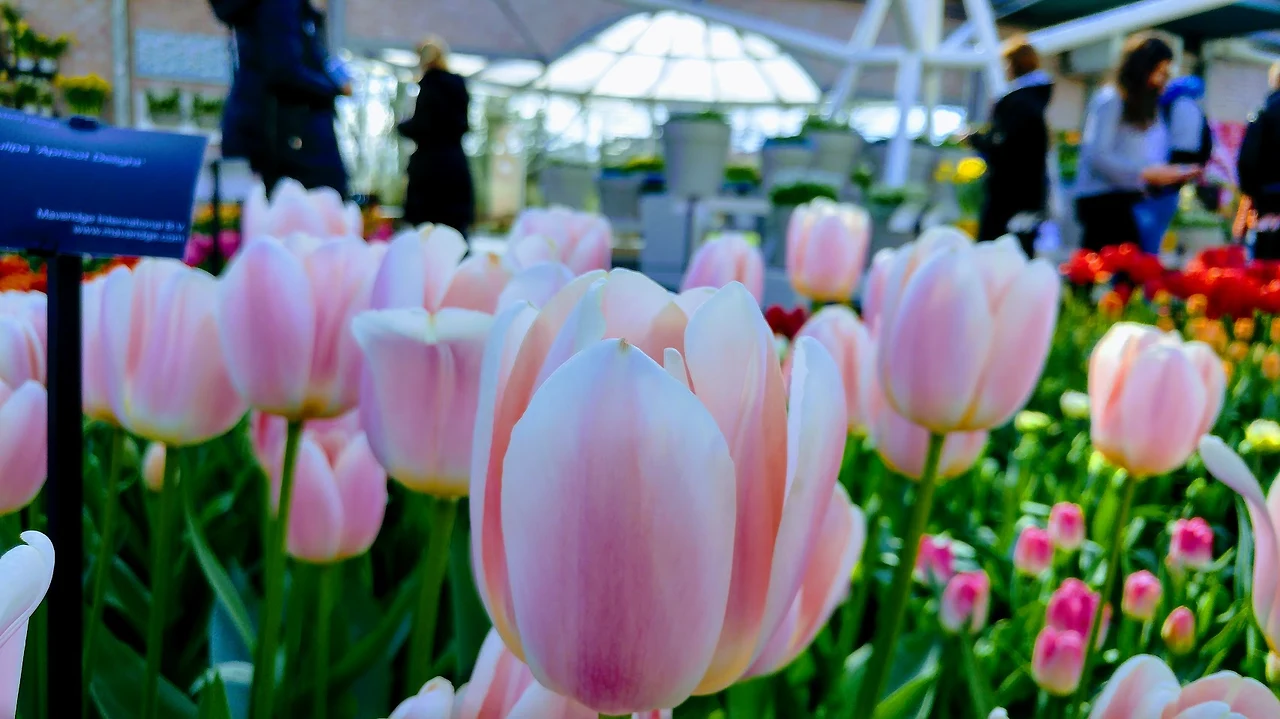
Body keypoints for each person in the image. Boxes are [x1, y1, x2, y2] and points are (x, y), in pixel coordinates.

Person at [1074, 33, 1200, 252]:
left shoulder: (1150, 106)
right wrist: (1144, 173)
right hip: (1103, 203)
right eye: (1158, 72)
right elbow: (1097, 155)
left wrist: (1165, 173)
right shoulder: (1111, 100)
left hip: (1132, 199)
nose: (1161, 80)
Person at [220, 0, 352, 198]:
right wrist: (334, 88)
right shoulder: (281, 5)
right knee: (325, 201)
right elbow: (284, 71)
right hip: (290, 136)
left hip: (269, 130)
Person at [966, 37, 1053, 257]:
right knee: (1021, 251)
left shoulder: (1017, 102)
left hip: (1006, 193)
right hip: (1031, 192)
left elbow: (1004, 146)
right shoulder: (1035, 99)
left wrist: (975, 139)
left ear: (1012, 64)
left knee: (992, 252)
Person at [399, 36, 475, 236]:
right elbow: (462, 123)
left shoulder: (430, 85)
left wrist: (403, 127)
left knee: (427, 231)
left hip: (430, 169)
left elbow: (424, 125)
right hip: (455, 164)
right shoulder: (458, 84)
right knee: (455, 230)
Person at [1237, 63, 1280, 260]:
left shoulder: (1264, 112)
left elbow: (1247, 159)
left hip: (1268, 198)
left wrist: (1252, 192)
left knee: (1268, 262)